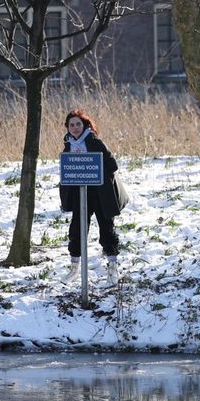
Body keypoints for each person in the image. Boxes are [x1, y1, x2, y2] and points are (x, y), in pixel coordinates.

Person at [57, 109, 127, 286]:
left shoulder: (94, 141)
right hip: (80, 195)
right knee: (77, 230)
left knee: (107, 230)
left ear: (85, 125)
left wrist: (97, 175)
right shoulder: (68, 145)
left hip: (100, 194)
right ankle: (74, 269)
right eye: (71, 125)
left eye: (78, 124)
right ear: (67, 127)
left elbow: (112, 165)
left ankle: (112, 270)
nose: (75, 128)